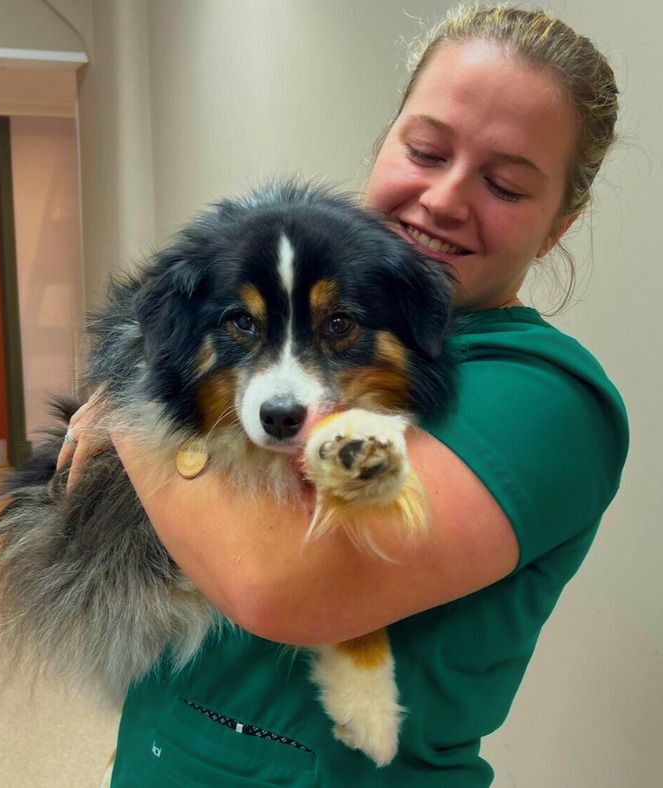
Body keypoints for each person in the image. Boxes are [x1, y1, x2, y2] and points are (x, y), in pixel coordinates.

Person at [63, 5, 630, 785]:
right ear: (385, 141)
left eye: (504, 184)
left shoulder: (546, 400)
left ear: (561, 222)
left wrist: (131, 408)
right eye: (425, 150)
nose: (445, 199)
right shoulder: (289, 283)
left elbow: (272, 588)